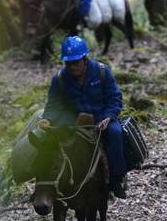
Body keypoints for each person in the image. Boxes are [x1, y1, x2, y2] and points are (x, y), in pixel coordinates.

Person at [38, 35, 127, 199]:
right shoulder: (60, 78)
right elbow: (54, 104)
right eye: (68, 63)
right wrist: (48, 118)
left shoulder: (102, 71)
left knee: (115, 133)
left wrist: (108, 116)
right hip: (74, 119)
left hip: (101, 117)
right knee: (50, 139)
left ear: (85, 59)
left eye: (75, 62)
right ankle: (46, 182)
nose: (72, 67)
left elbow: (115, 98)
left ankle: (116, 179)